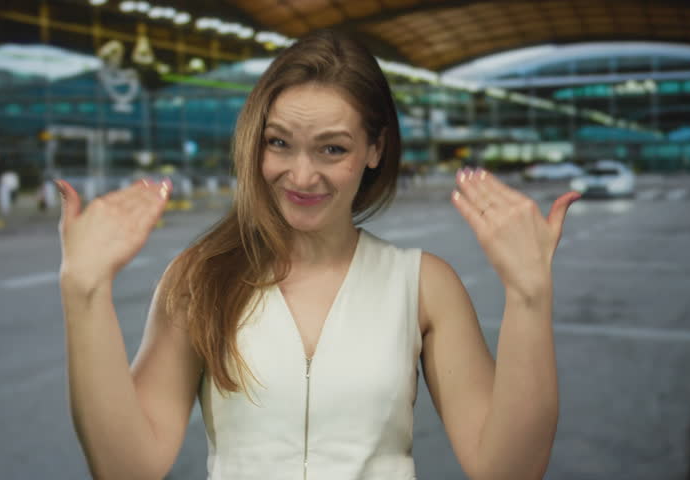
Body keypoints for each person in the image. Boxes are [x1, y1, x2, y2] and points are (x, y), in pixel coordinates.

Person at [55, 29, 580, 479]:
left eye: (333, 148)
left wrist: (529, 294)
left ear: (375, 148)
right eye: (279, 143)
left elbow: (508, 469)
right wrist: (85, 292)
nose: (301, 176)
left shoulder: (423, 285)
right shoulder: (198, 277)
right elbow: (126, 468)